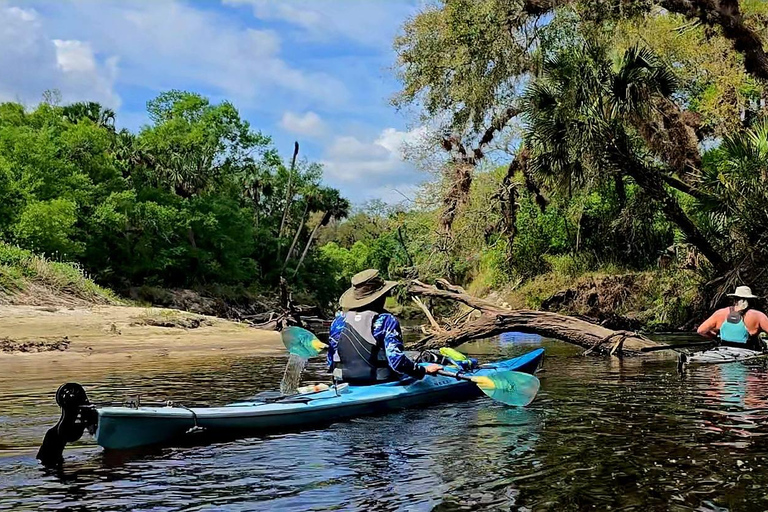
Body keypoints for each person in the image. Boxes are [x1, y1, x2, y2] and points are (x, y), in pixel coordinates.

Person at [327, 269, 441, 385]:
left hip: (343, 382)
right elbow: (397, 362)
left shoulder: (338, 322)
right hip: (380, 382)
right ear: (380, 297)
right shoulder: (386, 320)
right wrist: (423, 370)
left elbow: (331, 361)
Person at [697, 286, 768, 350]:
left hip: (724, 350)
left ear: (734, 300)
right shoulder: (758, 315)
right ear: (751, 300)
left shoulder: (720, 313)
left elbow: (701, 330)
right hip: (747, 351)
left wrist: (715, 337)